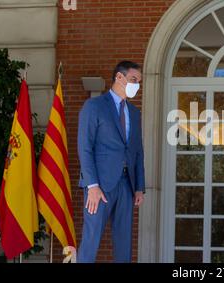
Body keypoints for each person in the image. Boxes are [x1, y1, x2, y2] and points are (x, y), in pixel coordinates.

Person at [77, 61, 146, 262]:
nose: (137, 85)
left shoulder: (134, 112)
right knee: (91, 240)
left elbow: (137, 151)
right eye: (134, 80)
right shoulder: (94, 106)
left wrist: (139, 187)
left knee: (124, 242)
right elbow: (85, 147)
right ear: (119, 77)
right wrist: (92, 185)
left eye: (139, 82)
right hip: (99, 186)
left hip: (127, 184)